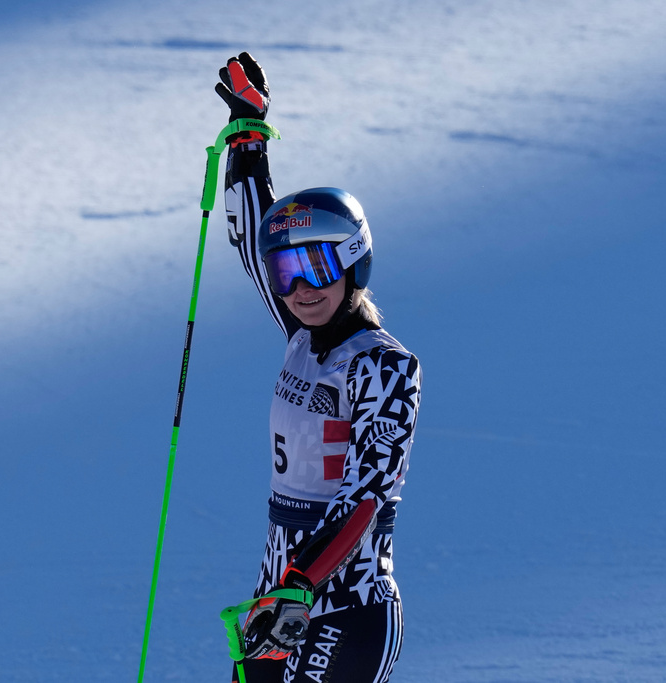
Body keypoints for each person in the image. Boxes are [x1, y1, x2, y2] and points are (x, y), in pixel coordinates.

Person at [215, 53, 423, 683]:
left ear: (353, 264)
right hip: (278, 594)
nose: (300, 290)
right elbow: (255, 238)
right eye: (287, 274)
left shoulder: (385, 367)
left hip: (344, 603)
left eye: (318, 269)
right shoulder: (302, 339)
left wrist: (300, 586)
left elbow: (366, 497)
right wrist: (250, 136)